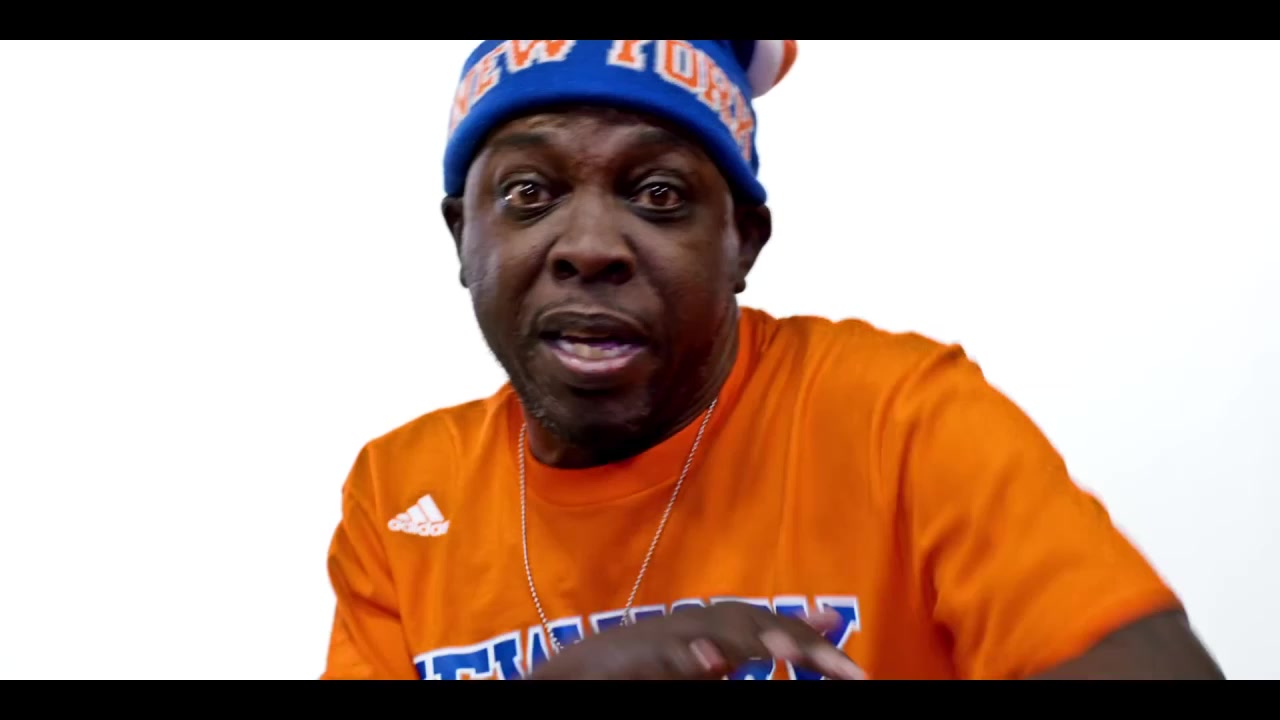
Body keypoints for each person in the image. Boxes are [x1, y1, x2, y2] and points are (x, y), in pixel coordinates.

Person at [320, 39, 1224, 680]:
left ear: (742, 242)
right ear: (462, 236)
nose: (590, 246)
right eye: (529, 191)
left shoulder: (893, 413)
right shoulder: (402, 493)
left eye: (659, 194)